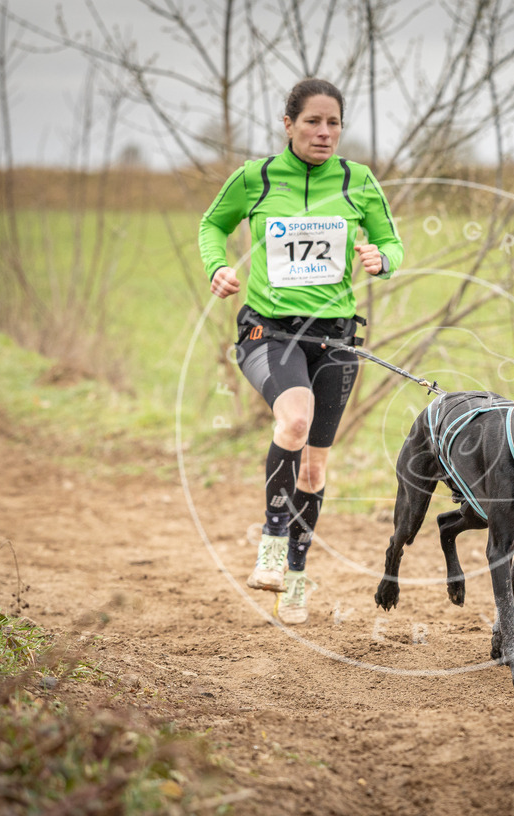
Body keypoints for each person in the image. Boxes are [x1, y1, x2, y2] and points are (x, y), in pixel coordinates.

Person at [199, 78, 403, 625]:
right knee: (293, 421)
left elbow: (392, 242)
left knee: (313, 469)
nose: (324, 132)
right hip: (271, 331)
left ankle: (294, 575)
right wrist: (217, 266)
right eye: (313, 121)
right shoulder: (256, 178)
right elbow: (212, 225)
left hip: (335, 337)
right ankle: (269, 541)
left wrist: (383, 260)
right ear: (288, 124)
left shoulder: (358, 181)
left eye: (333, 122)